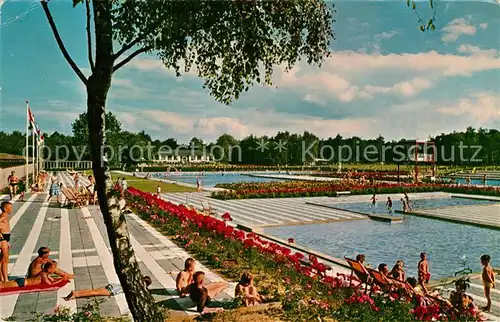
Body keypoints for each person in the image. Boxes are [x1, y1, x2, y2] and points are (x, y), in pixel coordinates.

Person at [64, 276, 152, 301]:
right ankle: (76, 295)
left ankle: (76, 292)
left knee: (93, 290)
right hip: (113, 290)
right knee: (95, 293)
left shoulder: (133, 280)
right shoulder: (136, 287)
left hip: (113, 286)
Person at [0, 201, 13, 283]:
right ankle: (6, 279)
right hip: (3, 238)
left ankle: (2, 278)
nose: (11, 209)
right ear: (5, 208)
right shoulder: (3, 216)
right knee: (5, 260)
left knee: (2, 260)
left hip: (5, 238)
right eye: (10, 208)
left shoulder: (5, 216)